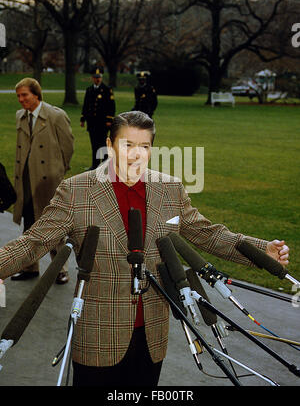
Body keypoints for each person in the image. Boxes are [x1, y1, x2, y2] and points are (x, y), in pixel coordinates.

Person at [0, 111, 289, 386]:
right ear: (110, 145)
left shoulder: (170, 189)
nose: (136, 154)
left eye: (145, 146)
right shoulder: (76, 191)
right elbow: (33, 242)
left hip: (152, 334)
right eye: (128, 144)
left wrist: (264, 251)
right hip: (99, 334)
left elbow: (208, 234)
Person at [10, 78, 74, 284]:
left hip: (48, 181)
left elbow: (68, 147)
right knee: (29, 225)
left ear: (36, 94)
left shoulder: (55, 115)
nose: (21, 100)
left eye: (24, 95)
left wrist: (59, 171)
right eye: (18, 96)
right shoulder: (20, 116)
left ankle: (60, 269)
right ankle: (30, 267)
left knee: (52, 226)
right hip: (26, 180)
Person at [80, 66, 115, 169]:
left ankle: (105, 165)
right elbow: (86, 105)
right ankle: (95, 165)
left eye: (99, 77)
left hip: (103, 123)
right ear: (92, 78)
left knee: (103, 144)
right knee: (94, 144)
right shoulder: (89, 90)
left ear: (102, 77)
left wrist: (109, 119)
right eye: (95, 77)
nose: (97, 79)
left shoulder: (107, 90)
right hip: (92, 123)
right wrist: (83, 118)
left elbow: (111, 106)